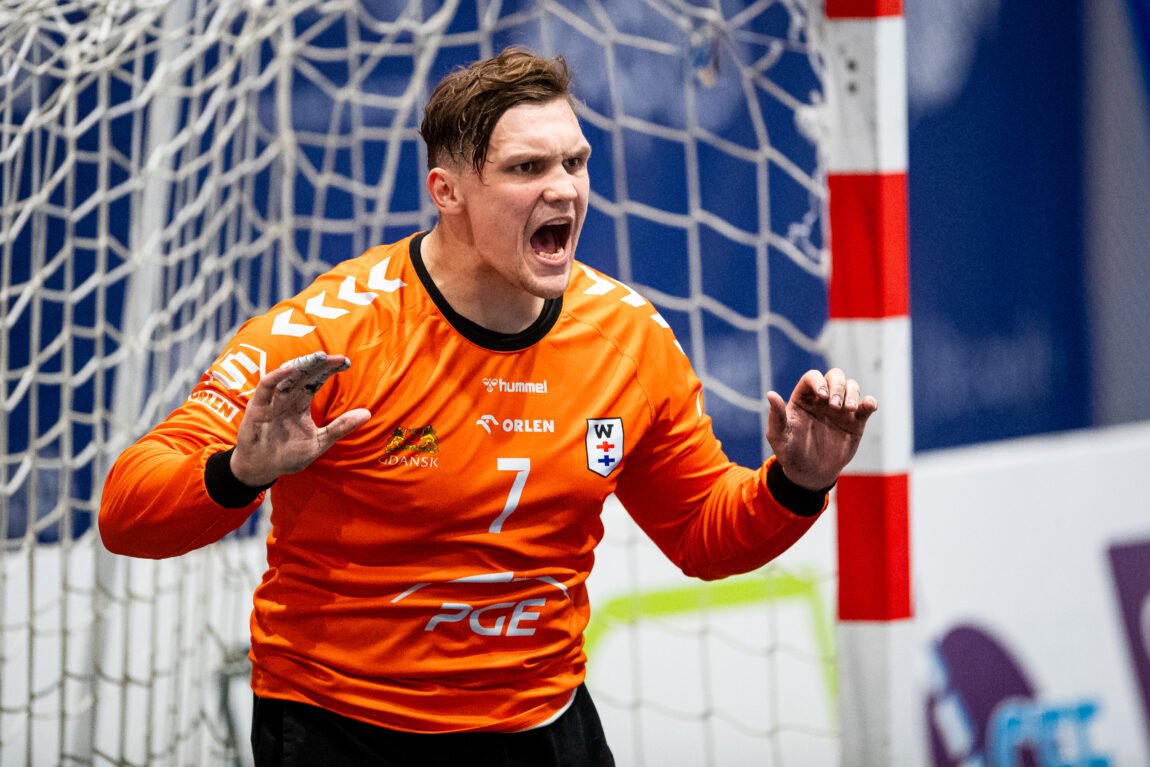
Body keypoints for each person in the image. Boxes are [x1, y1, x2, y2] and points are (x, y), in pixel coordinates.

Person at [99, 47, 877, 767]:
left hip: (542, 723)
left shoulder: (629, 339)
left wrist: (795, 483)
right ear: (447, 192)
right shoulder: (330, 335)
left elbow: (703, 535)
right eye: (526, 167)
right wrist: (237, 471)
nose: (563, 188)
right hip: (344, 727)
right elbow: (126, 510)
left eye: (575, 162)